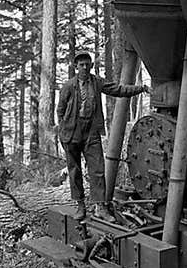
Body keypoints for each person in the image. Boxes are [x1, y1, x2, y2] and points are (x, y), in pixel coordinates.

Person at [56, 51, 150, 222]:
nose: (84, 67)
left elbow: (118, 89)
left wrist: (140, 89)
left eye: (87, 64)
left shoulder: (97, 82)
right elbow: (60, 110)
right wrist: (64, 132)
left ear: (91, 66)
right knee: (74, 171)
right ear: (76, 67)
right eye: (81, 64)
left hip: (91, 132)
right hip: (72, 134)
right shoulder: (69, 86)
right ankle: (80, 205)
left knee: (98, 170)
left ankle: (100, 207)